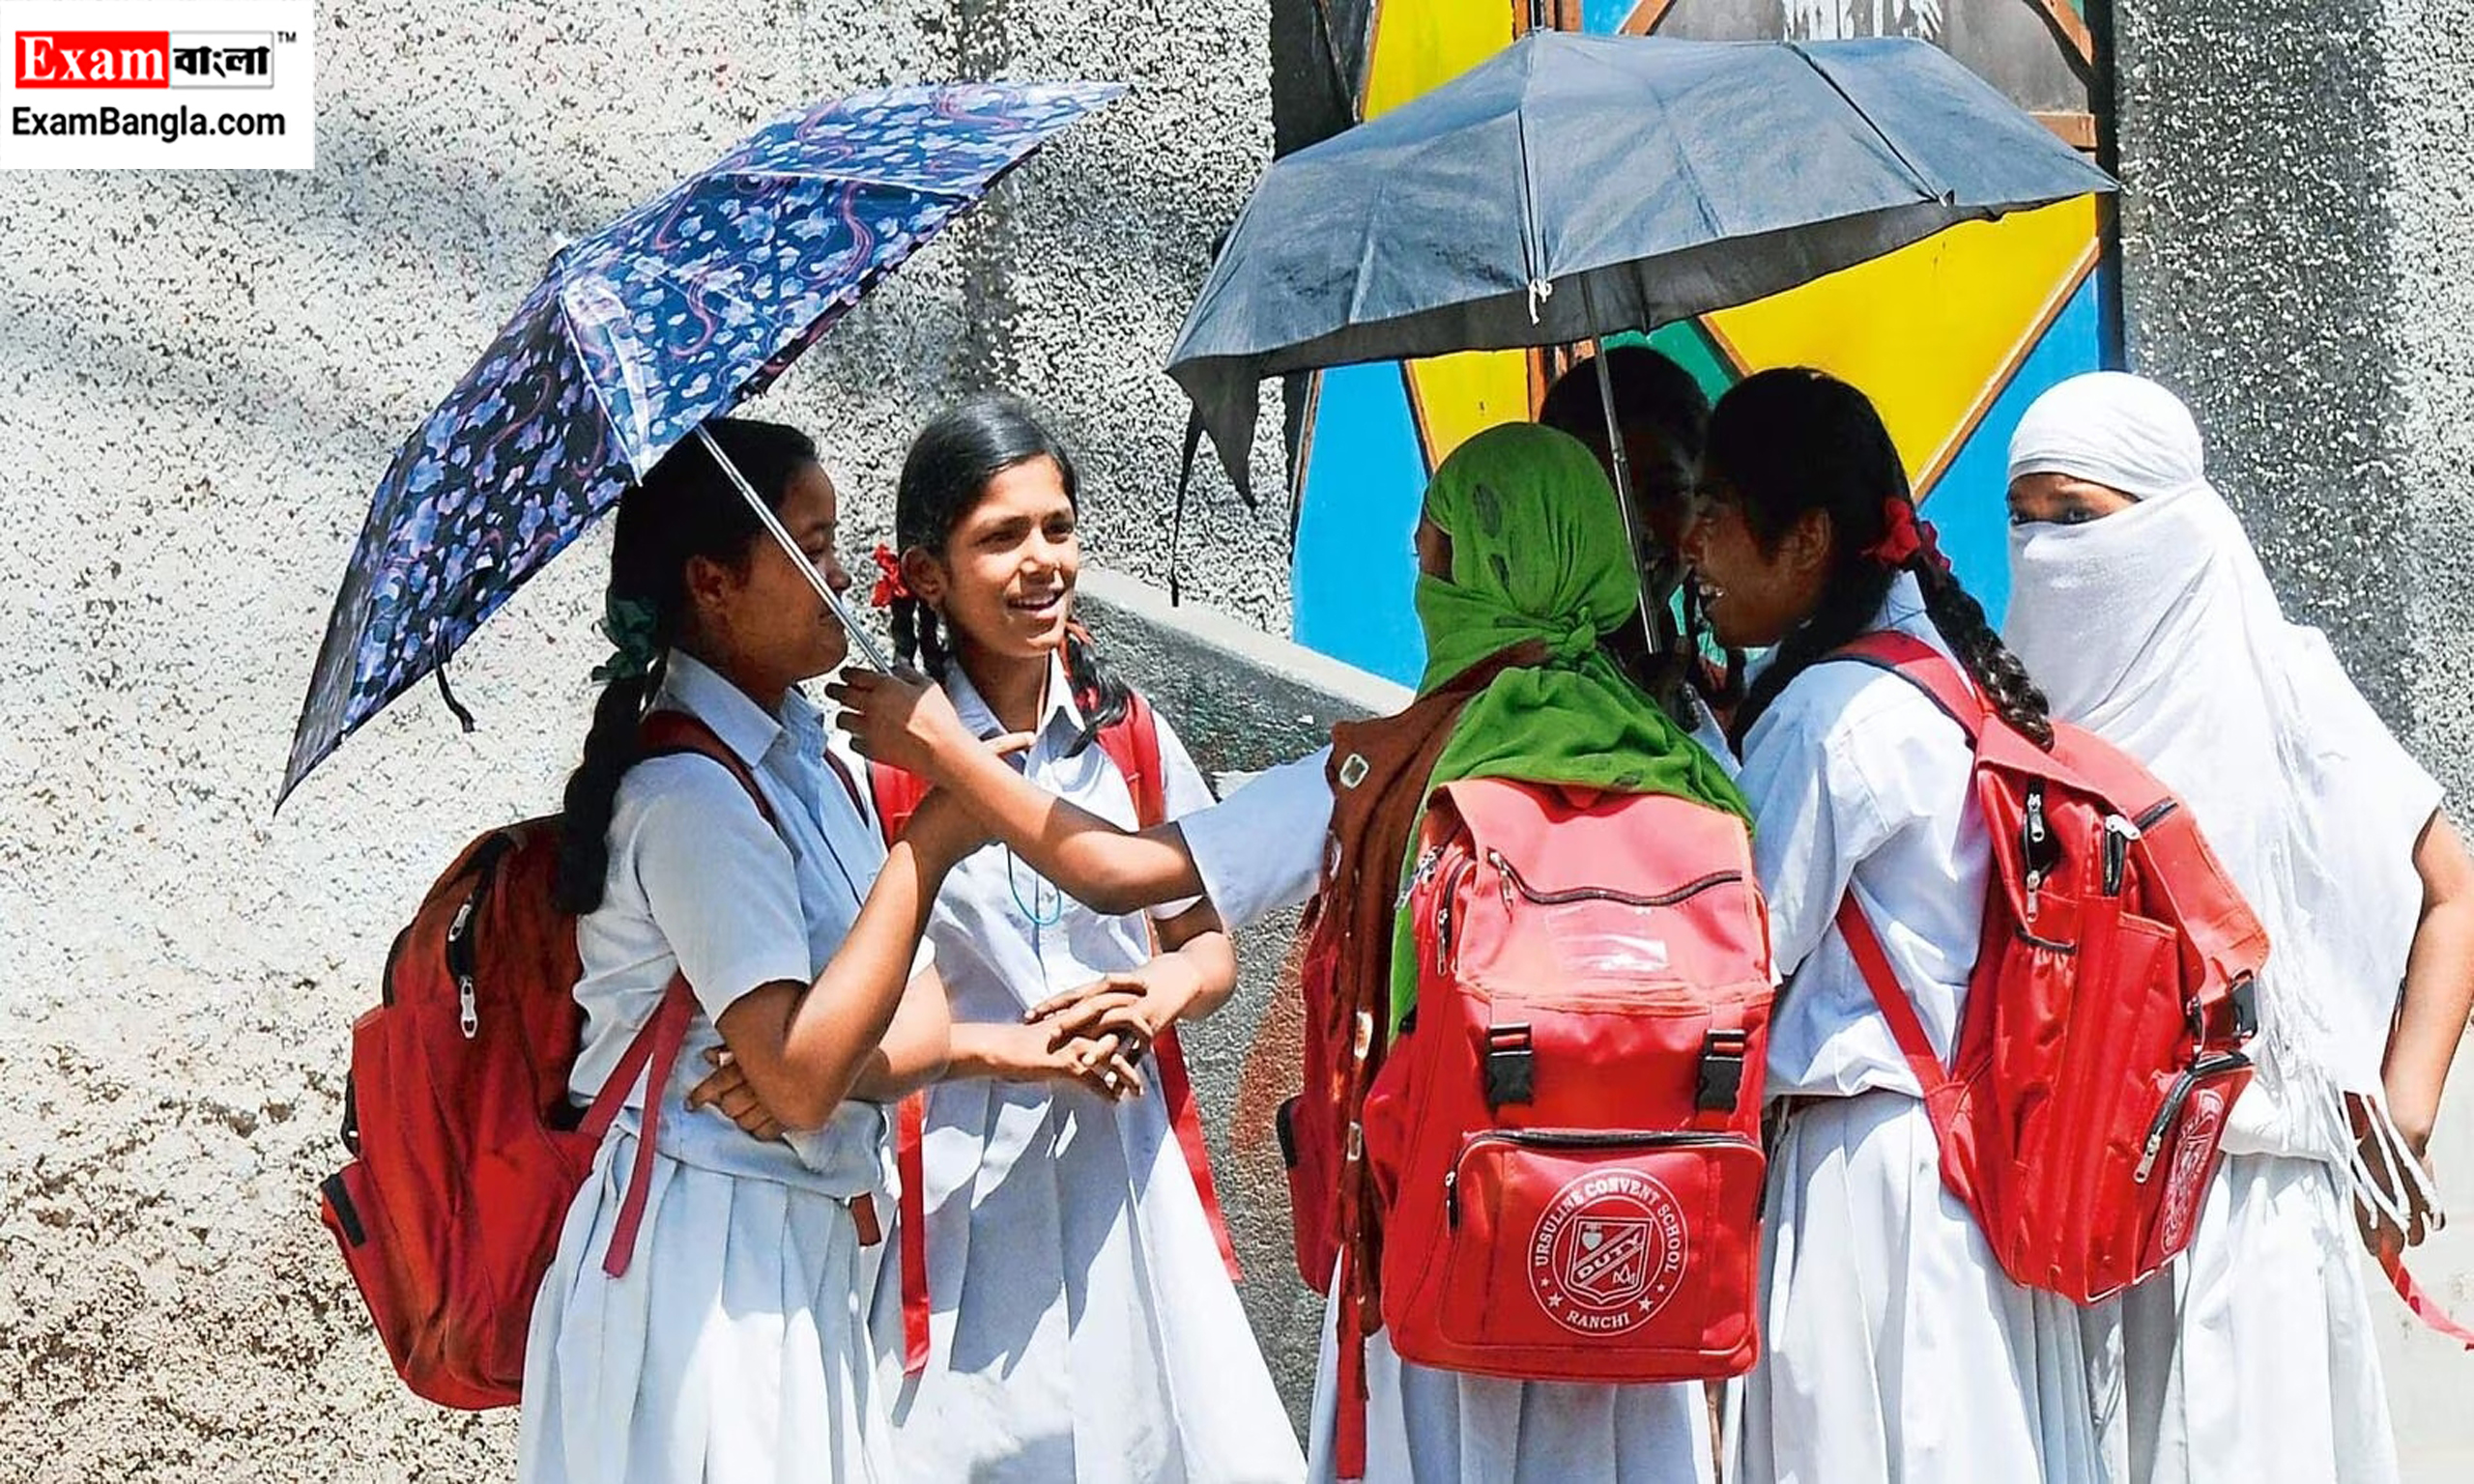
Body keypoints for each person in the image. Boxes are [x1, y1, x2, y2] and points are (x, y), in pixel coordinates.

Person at [840, 422, 1746, 1483]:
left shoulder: (1391, 769)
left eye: (1430, 556)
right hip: (1642, 1248)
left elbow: (1118, 874)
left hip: (1447, 1240)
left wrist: (943, 762)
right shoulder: (1688, 762)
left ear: (1473, 574)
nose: (1417, 583)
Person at [720, 394, 1302, 1482]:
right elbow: (850, 1000)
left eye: (1058, 527)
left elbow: (1205, 945)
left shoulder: (1128, 733)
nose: (1042, 562)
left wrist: (1156, 995)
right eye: (1001, 537)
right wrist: (1005, 1050)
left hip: (1126, 1171)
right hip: (948, 1191)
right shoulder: (873, 762)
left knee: (1154, 1443)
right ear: (924, 575)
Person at [2002, 370, 2474, 1484]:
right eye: (2022, 518)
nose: (2044, 549)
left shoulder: (2281, 685)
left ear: (2165, 517)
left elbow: (2450, 898)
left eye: (2077, 516)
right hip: (2066, 1231)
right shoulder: (2012, 706)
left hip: (2250, 1216)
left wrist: (2397, 1131)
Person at [519, 416, 968, 1484]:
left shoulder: (813, 766)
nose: (841, 574)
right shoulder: (690, 798)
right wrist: (938, 839)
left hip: (800, 1253)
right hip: (701, 1277)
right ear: (713, 582)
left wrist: (831, 1068)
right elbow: (806, 1074)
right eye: (808, 547)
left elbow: (926, 1024)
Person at [1681, 367, 2104, 1483]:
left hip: (1864, 1173)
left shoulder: (1830, 715)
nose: (1692, 548)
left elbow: (1740, 958)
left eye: (1715, 512)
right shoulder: (1947, 677)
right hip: (1966, 1161)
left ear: (1805, 536)